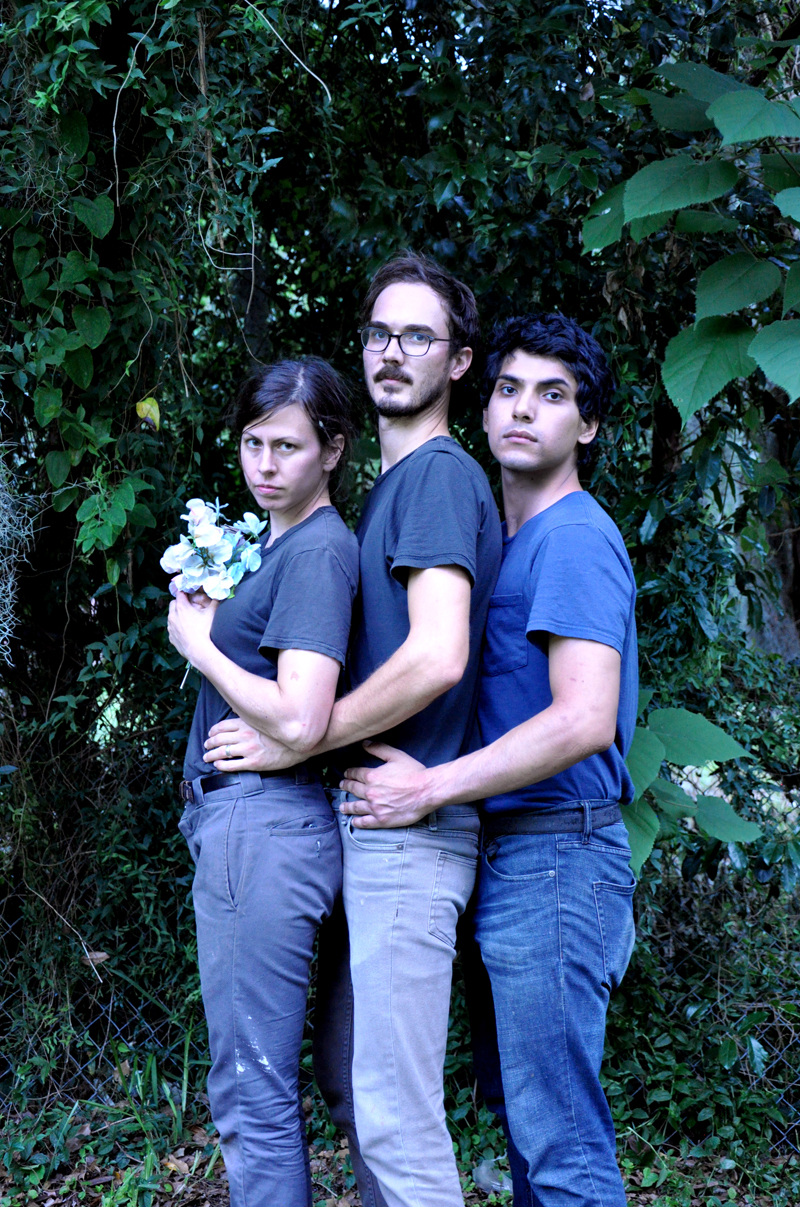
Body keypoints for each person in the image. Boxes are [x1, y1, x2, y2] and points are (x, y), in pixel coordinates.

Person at [203, 253, 503, 1207]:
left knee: (398, 1123)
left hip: (412, 826)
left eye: (418, 335)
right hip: (375, 825)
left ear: (459, 360)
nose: (392, 352)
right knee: (367, 1100)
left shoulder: (437, 479)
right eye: (380, 332)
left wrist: (304, 737)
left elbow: (438, 655)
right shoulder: (392, 490)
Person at [338, 313, 638, 1207]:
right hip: (512, 857)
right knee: (528, 1132)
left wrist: (431, 785)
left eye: (553, 395)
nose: (523, 409)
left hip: (558, 856)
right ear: (483, 403)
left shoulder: (574, 536)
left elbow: (583, 719)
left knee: (562, 1146)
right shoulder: (507, 544)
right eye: (509, 388)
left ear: (587, 425)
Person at [166, 358, 361, 1207]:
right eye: (253, 443)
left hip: (264, 830)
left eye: (288, 445)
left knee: (254, 1090)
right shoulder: (278, 543)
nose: (266, 463)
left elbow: (300, 712)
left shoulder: (316, 550)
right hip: (261, 826)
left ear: (333, 450)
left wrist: (201, 647)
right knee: (316, 1079)